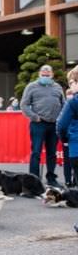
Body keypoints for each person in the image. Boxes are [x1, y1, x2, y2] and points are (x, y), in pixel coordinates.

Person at [20, 64, 65, 186]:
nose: (45, 74)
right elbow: (23, 105)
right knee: (36, 152)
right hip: (38, 124)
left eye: (48, 72)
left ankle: (51, 178)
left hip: (54, 124)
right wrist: (35, 117)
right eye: (43, 72)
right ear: (39, 74)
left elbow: (63, 104)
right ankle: (33, 180)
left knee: (52, 153)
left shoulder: (58, 87)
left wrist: (61, 118)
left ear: (52, 75)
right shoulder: (31, 87)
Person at [57, 66, 78, 231]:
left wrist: (66, 140)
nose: (70, 87)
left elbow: (61, 125)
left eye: (72, 83)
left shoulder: (73, 102)